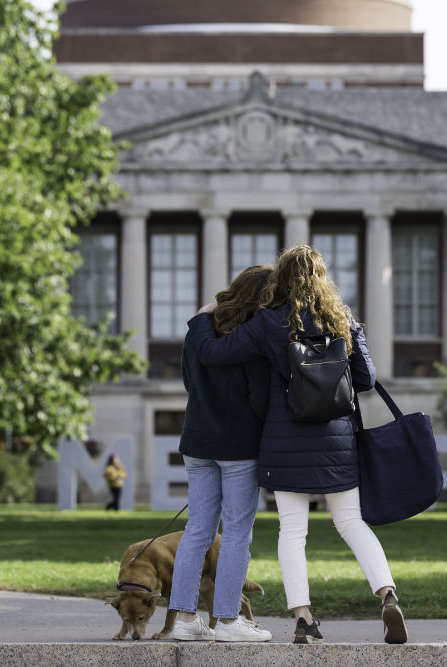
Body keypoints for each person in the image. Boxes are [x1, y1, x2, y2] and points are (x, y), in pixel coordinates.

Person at [187, 245, 408, 645]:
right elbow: (367, 380)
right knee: (351, 523)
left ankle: (304, 618)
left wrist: (202, 319)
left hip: (285, 438)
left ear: (282, 278)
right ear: (323, 278)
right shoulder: (343, 320)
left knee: (292, 530)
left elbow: (213, 353)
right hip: (337, 441)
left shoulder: (269, 323)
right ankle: (387, 592)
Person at [168, 266, 274, 643]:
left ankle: (183, 619)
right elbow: (259, 399)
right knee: (236, 534)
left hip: (197, 440)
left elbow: (187, 380)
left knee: (197, 530)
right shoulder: (253, 339)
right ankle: (228, 621)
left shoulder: (198, 332)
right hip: (238, 446)